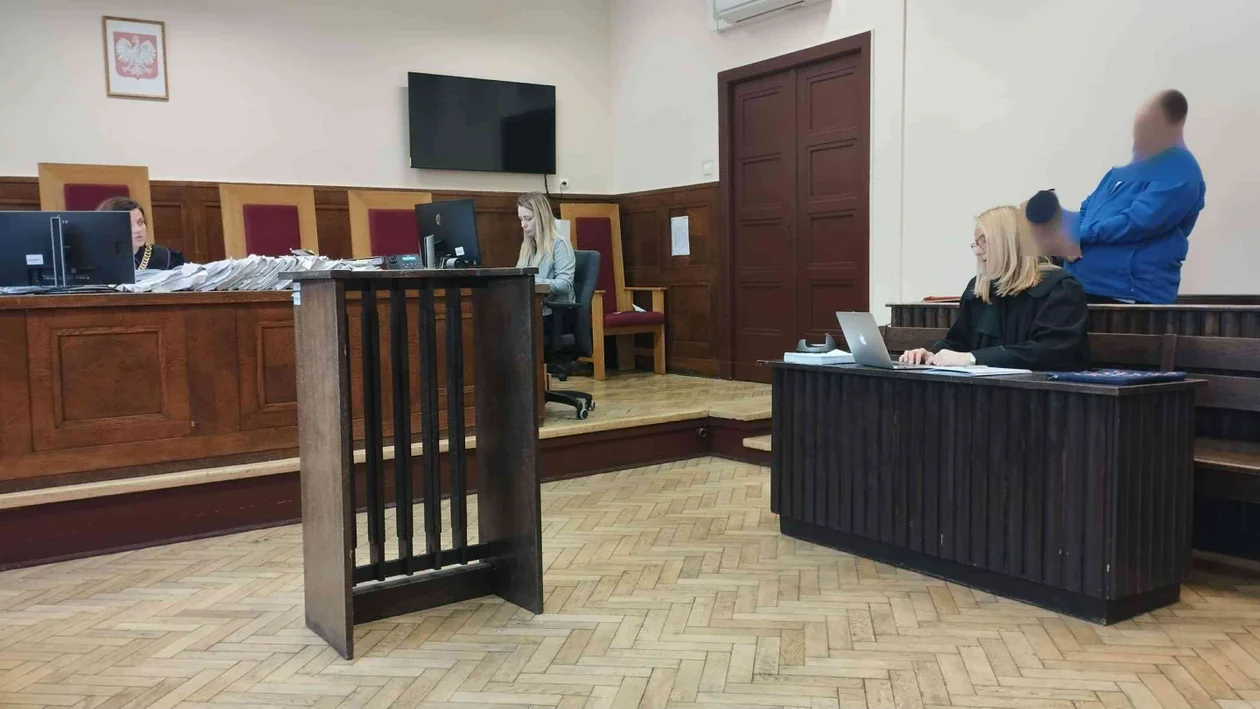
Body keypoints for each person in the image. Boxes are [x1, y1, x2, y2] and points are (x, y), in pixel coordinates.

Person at [1029, 90, 1205, 304]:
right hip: (1083, 289)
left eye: (1146, 120)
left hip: (1127, 298)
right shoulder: (1125, 171)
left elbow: (1138, 222)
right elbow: (1087, 210)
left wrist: (1076, 235)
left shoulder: (1180, 170)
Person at [900, 205, 1090, 371]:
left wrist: (973, 358)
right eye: (976, 244)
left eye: (984, 242)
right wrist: (931, 354)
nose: (977, 251)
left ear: (1008, 242)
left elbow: (1051, 352)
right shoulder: (978, 288)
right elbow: (959, 341)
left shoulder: (1060, 287)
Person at [516, 192, 574, 316]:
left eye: (528, 219)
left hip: (554, 313)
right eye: (521, 219)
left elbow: (565, 284)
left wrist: (533, 281)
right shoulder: (528, 247)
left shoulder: (560, 244)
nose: (523, 225)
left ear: (542, 217)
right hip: (531, 310)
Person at [96, 196, 186, 270]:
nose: (138, 230)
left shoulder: (168, 258)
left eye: (140, 222)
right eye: (128, 225)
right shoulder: (96, 262)